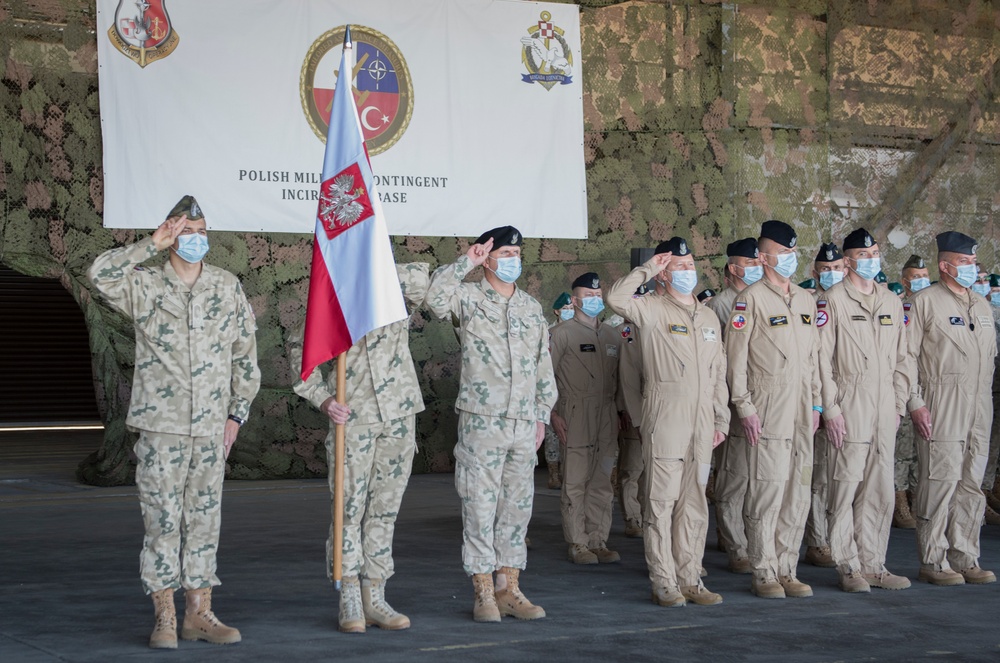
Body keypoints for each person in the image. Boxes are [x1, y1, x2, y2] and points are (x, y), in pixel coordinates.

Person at [88, 196, 260, 649]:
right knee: (162, 521)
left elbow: (245, 357)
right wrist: (150, 243)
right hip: (161, 427)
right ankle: (164, 614)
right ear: (170, 237)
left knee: (204, 521)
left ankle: (199, 613)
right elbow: (99, 275)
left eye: (201, 231)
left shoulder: (226, 287)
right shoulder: (144, 286)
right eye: (186, 232)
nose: (195, 239)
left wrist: (235, 415)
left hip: (209, 428)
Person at [289, 262, 429, 633]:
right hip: (353, 418)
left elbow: (421, 281)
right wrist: (322, 399)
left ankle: (376, 594)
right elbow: (300, 358)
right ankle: (349, 592)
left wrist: (375, 266)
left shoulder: (393, 294)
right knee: (348, 510)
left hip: (398, 415)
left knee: (384, 510)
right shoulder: (328, 301)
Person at [425, 225, 556, 622]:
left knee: (517, 509)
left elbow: (543, 365)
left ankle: (509, 588)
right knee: (480, 507)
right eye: (504, 254)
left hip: (522, 423)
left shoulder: (531, 307)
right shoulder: (467, 297)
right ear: (488, 256)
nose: (513, 261)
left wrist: (541, 415)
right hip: (482, 421)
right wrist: (468, 260)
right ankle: (482, 589)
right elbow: (434, 299)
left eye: (517, 255)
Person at [607, 237, 729, 608]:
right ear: (663, 273)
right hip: (667, 415)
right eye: (678, 265)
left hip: (703, 420)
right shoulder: (651, 309)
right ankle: (664, 580)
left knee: (694, 502)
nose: (687, 271)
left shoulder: (708, 315)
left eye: (690, 264)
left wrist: (721, 416)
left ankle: (690, 577)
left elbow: (718, 370)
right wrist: (647, 267)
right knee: (660, 502)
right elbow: (616, 300)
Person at [725, 220, 820, 599]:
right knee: (767, 488)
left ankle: (787, 567)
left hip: (801, 406)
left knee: (797, 490)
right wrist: (744, 406)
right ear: (764, 258)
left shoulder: (805, 299)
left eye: (793, 252)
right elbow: (736, 361)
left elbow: (811, 358)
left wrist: (816, 403)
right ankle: (763, 568)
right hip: (767, 405)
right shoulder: (749, 300)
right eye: (783, 253)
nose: (790, 259)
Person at [817, 228, 911, 593]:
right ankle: (848, 564)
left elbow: (904, 357)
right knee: (845, 485)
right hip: (850, 401)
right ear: (850, 259)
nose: (872, 260)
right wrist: (831, 408)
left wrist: (899, 403)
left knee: (880, 489)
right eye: (866, 255)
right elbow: (821, 359)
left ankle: (874, 563)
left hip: (885, 405)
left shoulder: (890, 301)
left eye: (876, 254)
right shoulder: (833, 301)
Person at [907, 231, 997, 586]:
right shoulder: (924, 301)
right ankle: (933, 559)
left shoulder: (982, 304)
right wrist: (915, 402)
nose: (971, 268)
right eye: (964, 262)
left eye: (974, 262)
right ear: (945, 266)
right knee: (940, 480)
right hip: (943, 401)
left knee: (972, 482)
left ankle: (966, 555)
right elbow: (907, 356)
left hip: (979, 403)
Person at [550, 273, 621, 564]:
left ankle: (598, 539)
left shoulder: (611, 335)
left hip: (607, 413)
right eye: (588, 297)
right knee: (576, 479)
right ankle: (577, 542)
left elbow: (623, 378)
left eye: (597, 295)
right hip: (575, 412)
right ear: (575, 301)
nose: (595, 300)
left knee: (602, 479)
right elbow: (545, 377)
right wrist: (552, 414)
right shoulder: (562, 334)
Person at [707, 237, 761, 575]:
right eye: (750, 263)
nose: (756, 269)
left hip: (767, 399)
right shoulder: (723, 306)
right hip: (735, 400)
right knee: (734, 477)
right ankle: (736, 545)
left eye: (759, 262)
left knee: (762, 479)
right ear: (733, 268)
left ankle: (748, 539)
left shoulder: (764, 299)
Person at [803, 242, 846, 570]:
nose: (832, 274)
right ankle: (819, 541)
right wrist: (820, 405)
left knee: (847, 476)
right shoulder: (815, 305)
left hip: (854, 402)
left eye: (837, 268)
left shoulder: (858, 300)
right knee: (819, 475)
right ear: (815, 273)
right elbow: (816, 360)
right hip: (820, 401)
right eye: (825, 269)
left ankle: (844, 539)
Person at [893, 254, 931, 528]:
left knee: (922, 450)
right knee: (903, 448)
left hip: (931, 387)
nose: (921, 281)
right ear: (904, 282)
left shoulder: (933, 306)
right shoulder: (905, 310)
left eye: (924, 276)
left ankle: (918, 498)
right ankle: (899, 500)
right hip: (908, 387)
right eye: (915, 277)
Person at [615, 283, 647, 539]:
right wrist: (622, 409)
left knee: (651, 471)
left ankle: (648, 516)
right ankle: (633, 518)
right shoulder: (618, 333)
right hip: (630, 410)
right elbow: (620, 379)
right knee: (632, 469)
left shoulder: (653, 329)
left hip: (656, 410)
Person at [544, 292, 573, 489]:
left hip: (571, 387)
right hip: (552, 387)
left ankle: (568, 471)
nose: (569, 312)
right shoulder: (548, 333)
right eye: (566, 309)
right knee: (552, 433)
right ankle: (554, 473)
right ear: (557, 311)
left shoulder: (581, 331)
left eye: (572, 309)